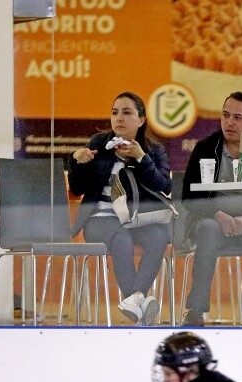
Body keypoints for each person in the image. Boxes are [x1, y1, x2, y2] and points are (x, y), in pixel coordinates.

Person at [68, 92, 175, 325]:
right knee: (122, 238)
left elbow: (165, 187)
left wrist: (141, 158)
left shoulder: (154, 150)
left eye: (127, 113)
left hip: (136, 219)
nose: (119, 118)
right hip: (100, 218)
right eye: (115, 112)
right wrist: (78, 161)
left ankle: (133, 302)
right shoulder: (99, 143)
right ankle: (136, 300)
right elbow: (77, 188)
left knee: (159, 234)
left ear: (141, 120)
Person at [176, 92, 242, 326]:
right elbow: (188, 196)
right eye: (225, 115)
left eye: (237, 117)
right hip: (214, 224)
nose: (229, 123)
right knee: (207, 227)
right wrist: (218, 214)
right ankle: (195, 310)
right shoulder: (206, 147)